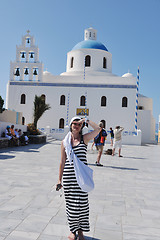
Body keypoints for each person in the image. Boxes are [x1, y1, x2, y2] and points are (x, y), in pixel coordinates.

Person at [56, 117, 101, 240]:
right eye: (74, 123)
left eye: (79, 124)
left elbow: (98, 129)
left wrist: (86, 120)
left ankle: (81, 231)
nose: (76, 126)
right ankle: (72, 230)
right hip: (69, 178)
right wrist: (59, 180)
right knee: (71, 205)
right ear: (70, 125)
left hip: (81, 178)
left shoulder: (84, 139)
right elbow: (62, 161)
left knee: (82, 205)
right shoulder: (64, 142)